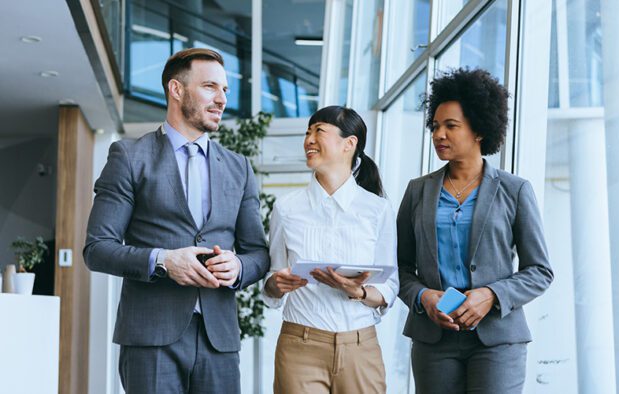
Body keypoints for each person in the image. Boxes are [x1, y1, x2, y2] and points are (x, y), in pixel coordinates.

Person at [83, 48, 270, 394]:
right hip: (151, 339)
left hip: (220, 341)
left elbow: (258, 253)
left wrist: (239, 267)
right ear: (177, 89)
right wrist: (164, 261)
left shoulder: (239, 167)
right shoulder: (129, 157)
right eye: (211, 87)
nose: (221, 99)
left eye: (225, 90)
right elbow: (97, 249)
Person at [397, 68, 554, 393]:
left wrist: (491, 295)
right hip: (433, 340)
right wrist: (424, 297)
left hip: (497, 341)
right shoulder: (417, 191)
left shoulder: (515, 190)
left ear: (479, 130)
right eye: (436, 126)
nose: (439, 134)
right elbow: (398, 268)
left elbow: (540, 271)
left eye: (451, 126)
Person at [262, 105, 399, 393]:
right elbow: (272, 281)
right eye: (307, 132)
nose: (309, 139)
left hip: (361, 349)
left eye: (319, 131)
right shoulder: (286, 208)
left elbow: (389, 286)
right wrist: (276, 283)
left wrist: (358, 291)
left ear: (349, 144)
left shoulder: (378, 209)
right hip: (300, 347)